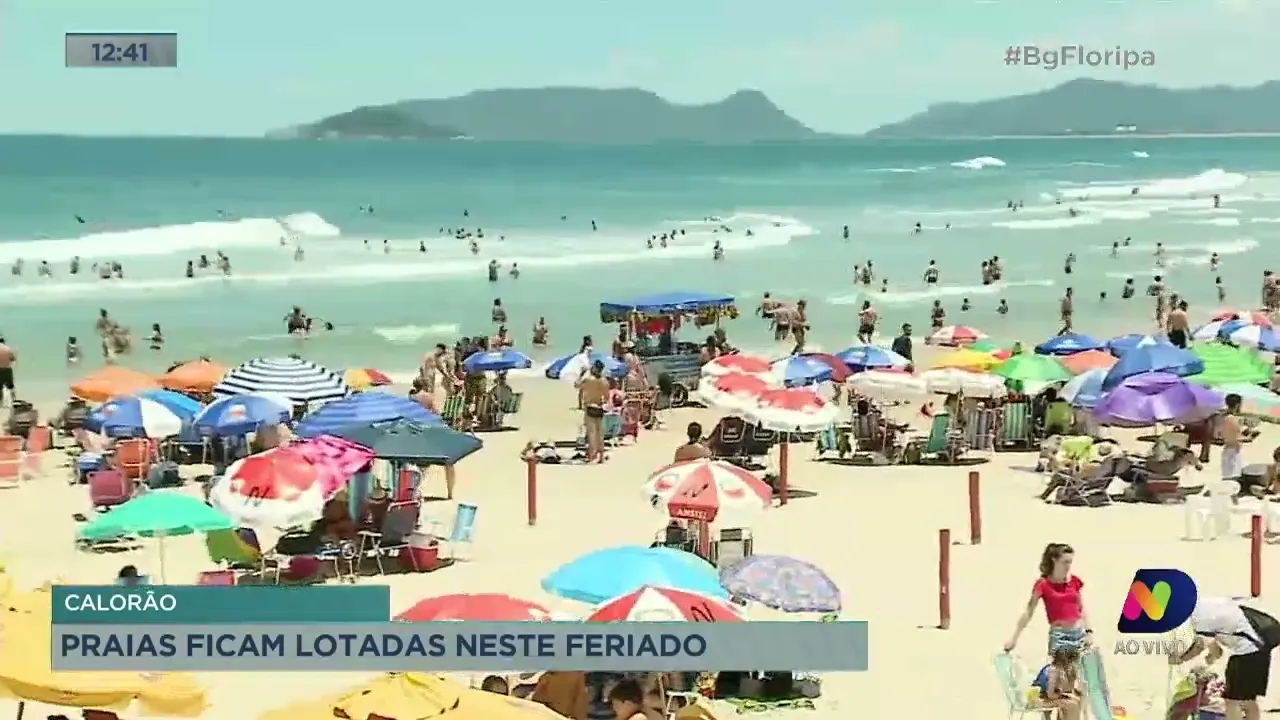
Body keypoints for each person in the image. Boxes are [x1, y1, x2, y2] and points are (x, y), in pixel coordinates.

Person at [1172, 596, 1280, 720]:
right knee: (1249, 700)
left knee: (1232, 701)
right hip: (1260, 646)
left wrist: (1180, 658)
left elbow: (1200, 646)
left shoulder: (1198, 618)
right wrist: (1211, 656)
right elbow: (1216, 647)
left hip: (1246, 651)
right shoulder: (1206, 605)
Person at [1004, 543, 1093, 654]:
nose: (1068, 566)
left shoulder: (1074, 581)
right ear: (1054, 560)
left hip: (1080, 635)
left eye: (1070, 562)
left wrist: (1089, 632)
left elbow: (1081, 609)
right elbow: (1028, 612)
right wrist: (1014, 638)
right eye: (1065, 562)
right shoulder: (1042, 584)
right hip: (1059, 637)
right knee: (1061, 670)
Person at [1031, 648, 1083, 720]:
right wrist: (1061, 695)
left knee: (1075, 700)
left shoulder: (1055, 668)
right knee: (1072, 705)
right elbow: (1050, 694)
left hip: (1043, 697)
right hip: (1039, 699)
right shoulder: (1054, 671)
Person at [580, 361, 610, 463]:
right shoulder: (605, 381)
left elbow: (577, 385)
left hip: (590, 407)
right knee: (600, 434)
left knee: (591, 433)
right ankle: (601, 456)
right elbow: (606, 398)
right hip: (600, 408)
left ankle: (592, 456)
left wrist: (582, 373)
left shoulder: (588, 380)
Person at [1222, 393, 1245, 484]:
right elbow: (1235, 438)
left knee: (1229, 478)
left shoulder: (1225, 418)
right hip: (1233, 451)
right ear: (1237, 405)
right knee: (1233, 479)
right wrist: (1248, 438)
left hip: (1229, 450)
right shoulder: (1231, 419)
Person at [0, 337, 15, 406]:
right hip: (8, 369)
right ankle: (13, 401)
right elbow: (12, 358)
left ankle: (0, 403)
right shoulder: (8, 348)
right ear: (3, 342)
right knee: (11, 386)